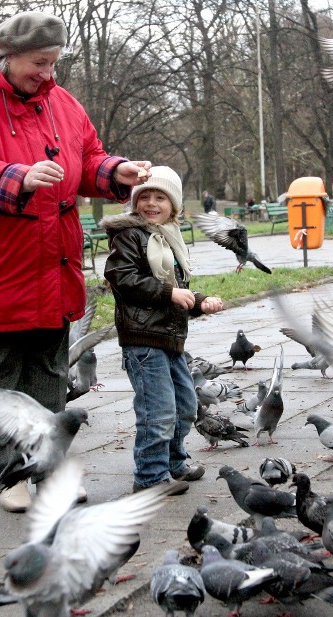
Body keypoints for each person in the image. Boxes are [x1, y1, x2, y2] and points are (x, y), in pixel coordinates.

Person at [0, 11, 153, 513]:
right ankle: (11, 476)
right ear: (7, 57)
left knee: (50, 378)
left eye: (54, 63)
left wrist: (117, 171)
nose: (49, 74)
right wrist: (17, 177)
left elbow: (88, 159)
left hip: (51, 269)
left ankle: (50, 473)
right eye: (39, 62)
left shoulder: (64, 104)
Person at [101, 166, 223, 494]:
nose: (151, 203)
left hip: (170, 340)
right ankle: (151, 478)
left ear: (174, 206)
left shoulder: (168, 239)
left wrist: (199, 301)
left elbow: (174, 291)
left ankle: (174, 462)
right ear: (134, 202)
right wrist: (171, 293)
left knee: (185, 406)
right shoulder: (129, 235)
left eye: (160, 197)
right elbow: (122, 278)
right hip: (143, 342)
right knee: (158, 411)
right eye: (144, 197)